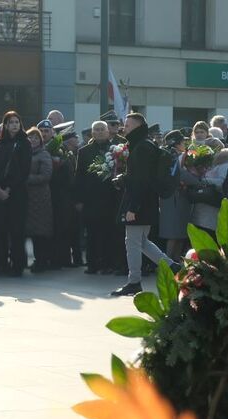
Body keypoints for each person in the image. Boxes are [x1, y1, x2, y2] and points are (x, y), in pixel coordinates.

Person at [113, 111, 178, 297]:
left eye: (127, 125)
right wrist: (124, 179)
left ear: (137, 127)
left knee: (132, 242)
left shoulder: (141, 147)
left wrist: (133, 207)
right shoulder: (143, 145)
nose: (123, 128)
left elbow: (141, 181)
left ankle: (134, 282)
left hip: (139, 202)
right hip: (145, 201)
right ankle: (173, 267)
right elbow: (139, 176)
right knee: (141, 241)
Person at [76, 119, 125, 275]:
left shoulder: (116, 150)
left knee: (109, 232)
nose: (99, 132)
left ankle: (108, 263)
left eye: (101, 129)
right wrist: (78, 199)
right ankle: (92, 264)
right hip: (91, 199)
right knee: (92, 233)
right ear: (92, 133)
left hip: (111, 197)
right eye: (96, 130)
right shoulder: (83, 151)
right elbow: (79, 177)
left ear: (107, 132)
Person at [0, 110, 31, 277]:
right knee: (0, 230)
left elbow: (24, 171)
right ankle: (1, 263)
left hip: (17, 193)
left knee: (16, 231)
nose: (14, 125)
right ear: (5, 125)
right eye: (11, 122)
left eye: (17, 122)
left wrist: (9, 189)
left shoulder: (25, 143)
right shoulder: (1, 144)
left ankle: (18, 264)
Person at [49, 122, 82, 269]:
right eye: (74, 137)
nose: (77, 139)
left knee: (72, 229)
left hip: (70, 198)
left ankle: (73, 259)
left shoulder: (71, 153)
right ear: (68, 139)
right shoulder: (58, 153)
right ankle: (62, 259)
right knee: (63, 230)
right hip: (62, 198)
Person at [159, 130, 193, 261]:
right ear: (177, 143)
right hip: (173, 198)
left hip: (178, 198)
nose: (184, 144)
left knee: (179, 235)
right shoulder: (172, 156)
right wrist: (201, 183)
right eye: (182, 142)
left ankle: (175, 262)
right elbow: (180, 174)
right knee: (173, 234)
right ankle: (168, 263)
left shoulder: (171, 154)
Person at [24, 127, 54, 273]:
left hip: (40, 198)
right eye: (30, 137)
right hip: (27, 198)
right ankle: (37, 260)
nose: (33, 140)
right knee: (33, 232)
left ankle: (42, 261)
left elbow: (46, 176)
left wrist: (25, 178)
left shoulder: (44, 154)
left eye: (36, 138)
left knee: (40, 232)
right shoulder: (24, 153)